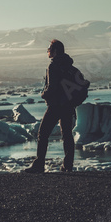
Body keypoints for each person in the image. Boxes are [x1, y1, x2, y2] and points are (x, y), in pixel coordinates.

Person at [24, 39, 76, 173]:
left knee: (43, 134)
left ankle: (39, 164)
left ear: (55, 51)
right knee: (67, 135)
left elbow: (52, 87)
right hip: (68, 105)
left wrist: (43, 95)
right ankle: (68, 166)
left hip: (56, 105)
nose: (48, 51)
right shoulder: (69, 65)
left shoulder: (53, 66)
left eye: (49, 49)